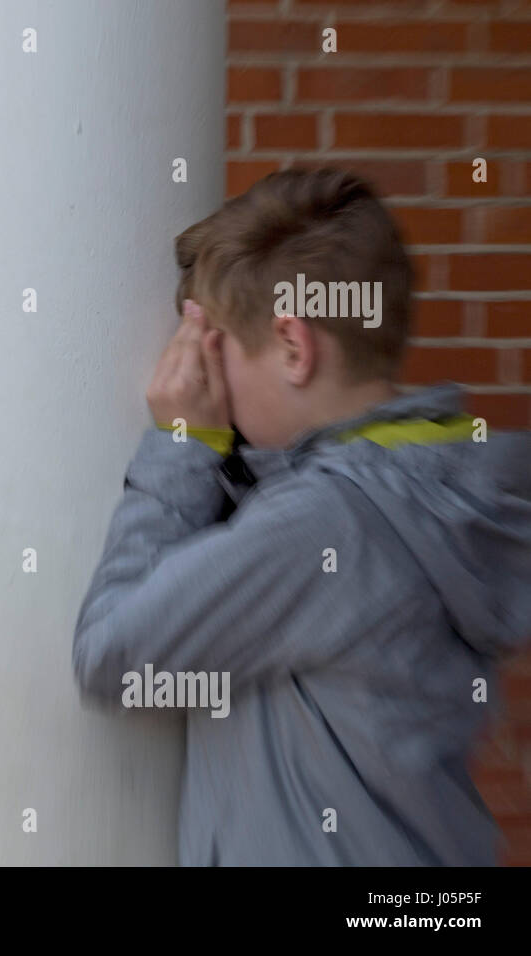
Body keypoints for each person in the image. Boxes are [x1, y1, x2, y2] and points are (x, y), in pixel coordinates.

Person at [72, 169, 531, 865]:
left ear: (293, 345)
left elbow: (113, 654)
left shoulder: (329, 524)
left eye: (215, 348)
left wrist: (183, 447)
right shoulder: (426, 489)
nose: (206, 380)